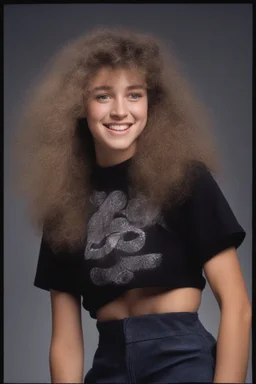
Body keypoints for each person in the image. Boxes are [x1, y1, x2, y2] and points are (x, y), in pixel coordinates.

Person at [13, 26, 251, 383]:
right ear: (80, 104)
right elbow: (64, 340)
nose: (120, 111)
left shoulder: (185, 178)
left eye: (134, 95)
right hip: (110, 364)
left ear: (151, 102)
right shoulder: (64, 200)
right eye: (103, 96)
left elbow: (237, 306)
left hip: (181, 360)